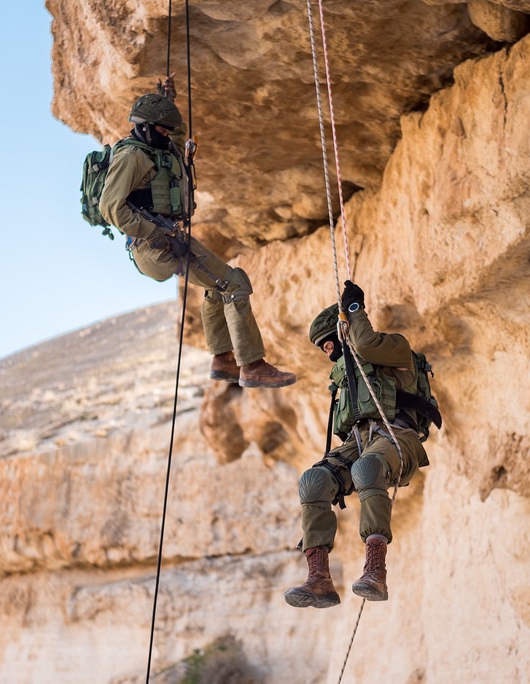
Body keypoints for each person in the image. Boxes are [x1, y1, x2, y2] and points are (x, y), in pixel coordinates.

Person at [98, 77, 296, 389]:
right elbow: (111, 208)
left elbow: (175, 131)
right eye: (162, 129)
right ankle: (252, 366)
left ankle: (222, 361)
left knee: (215, 286)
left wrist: (168, 98)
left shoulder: (157, 147)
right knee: (234, 282)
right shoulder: (132, 156)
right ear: (146, 127)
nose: (167, 135)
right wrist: (155, 232)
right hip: (155, 246)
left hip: (161, 242)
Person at [285, 280, 431, 608]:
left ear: (343, 332)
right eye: (322, 347)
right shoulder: (345, 378)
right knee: (314, 482)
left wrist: (354, 310)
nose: (327, 352)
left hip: (398, 437)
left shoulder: (395, 349)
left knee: (366, 469)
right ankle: (319, 578)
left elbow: (365, 346)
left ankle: (375, 570)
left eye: (328, 343)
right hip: (361, 440)